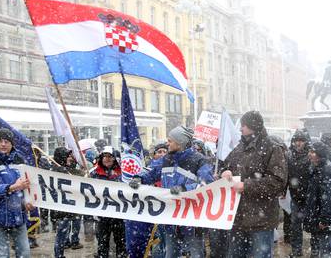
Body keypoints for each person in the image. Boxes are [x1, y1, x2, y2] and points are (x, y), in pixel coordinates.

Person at [129, 125, 214, 258]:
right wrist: (138, 178)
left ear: (180, 143)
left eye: (170, 141)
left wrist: (184, 190)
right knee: (170, 254)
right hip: (170, 219)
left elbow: (206, 184)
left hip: (191, 220)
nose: (167, 143)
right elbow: (151, 172)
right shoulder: (166, 159)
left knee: (196, 254)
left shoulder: (199, 160)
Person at [220, 110, 287, 258]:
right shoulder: (239, 148)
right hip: (237, 219)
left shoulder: (272, 148)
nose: (240, 128)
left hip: (261, 221)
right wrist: (225, 172)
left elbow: (277, 182)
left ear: (253, 126)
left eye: (243, 125)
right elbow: (225, 165)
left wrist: (246, 185)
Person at [0, 128, 33, 258]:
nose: (3, 144)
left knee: (25, 254)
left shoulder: (19, 159)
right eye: (0, 141)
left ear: (12, 144)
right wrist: (12, 187)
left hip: (18, 216)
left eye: (7, 141)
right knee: (2, 255)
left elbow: (28, 184)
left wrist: (29, 200)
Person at [303, 142, 331, 258]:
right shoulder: (316, 167)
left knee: (327, 249)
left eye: (313, 152)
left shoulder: (326, 169)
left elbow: (329, 197)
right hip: (317, 214)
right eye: (310, 151)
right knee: (321, 247)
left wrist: (325, 219)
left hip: (322, 216)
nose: (309, 154)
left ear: (319, 154)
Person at [90, 146, 126, 258]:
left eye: (110, 156)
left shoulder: (123, 173)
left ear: (115, 158)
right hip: (102, 215)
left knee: (121, 244)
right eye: (104, 156)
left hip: (119, 214)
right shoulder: (94, 173)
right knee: (102, 244)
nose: (107, 159)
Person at [51, 147, 84, 258]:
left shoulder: (66, 168)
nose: (69, 158)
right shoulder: (56, 170)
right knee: (61, 234)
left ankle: (60, 253)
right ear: (62, 157)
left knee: (63, 233)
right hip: (61, 208)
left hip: (70, 205)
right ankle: (58, 255)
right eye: (67, 156)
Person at [287, 130, 313, 257]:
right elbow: (287, 174)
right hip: (295, 195)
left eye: (301, 140)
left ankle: (315, 250)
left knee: (313, 224)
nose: (298, 143)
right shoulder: (289, 155)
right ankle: (296, 250)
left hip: (309, 196)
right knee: (295, 225)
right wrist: (284, 188)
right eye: (296, 140)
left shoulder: (311, 155)